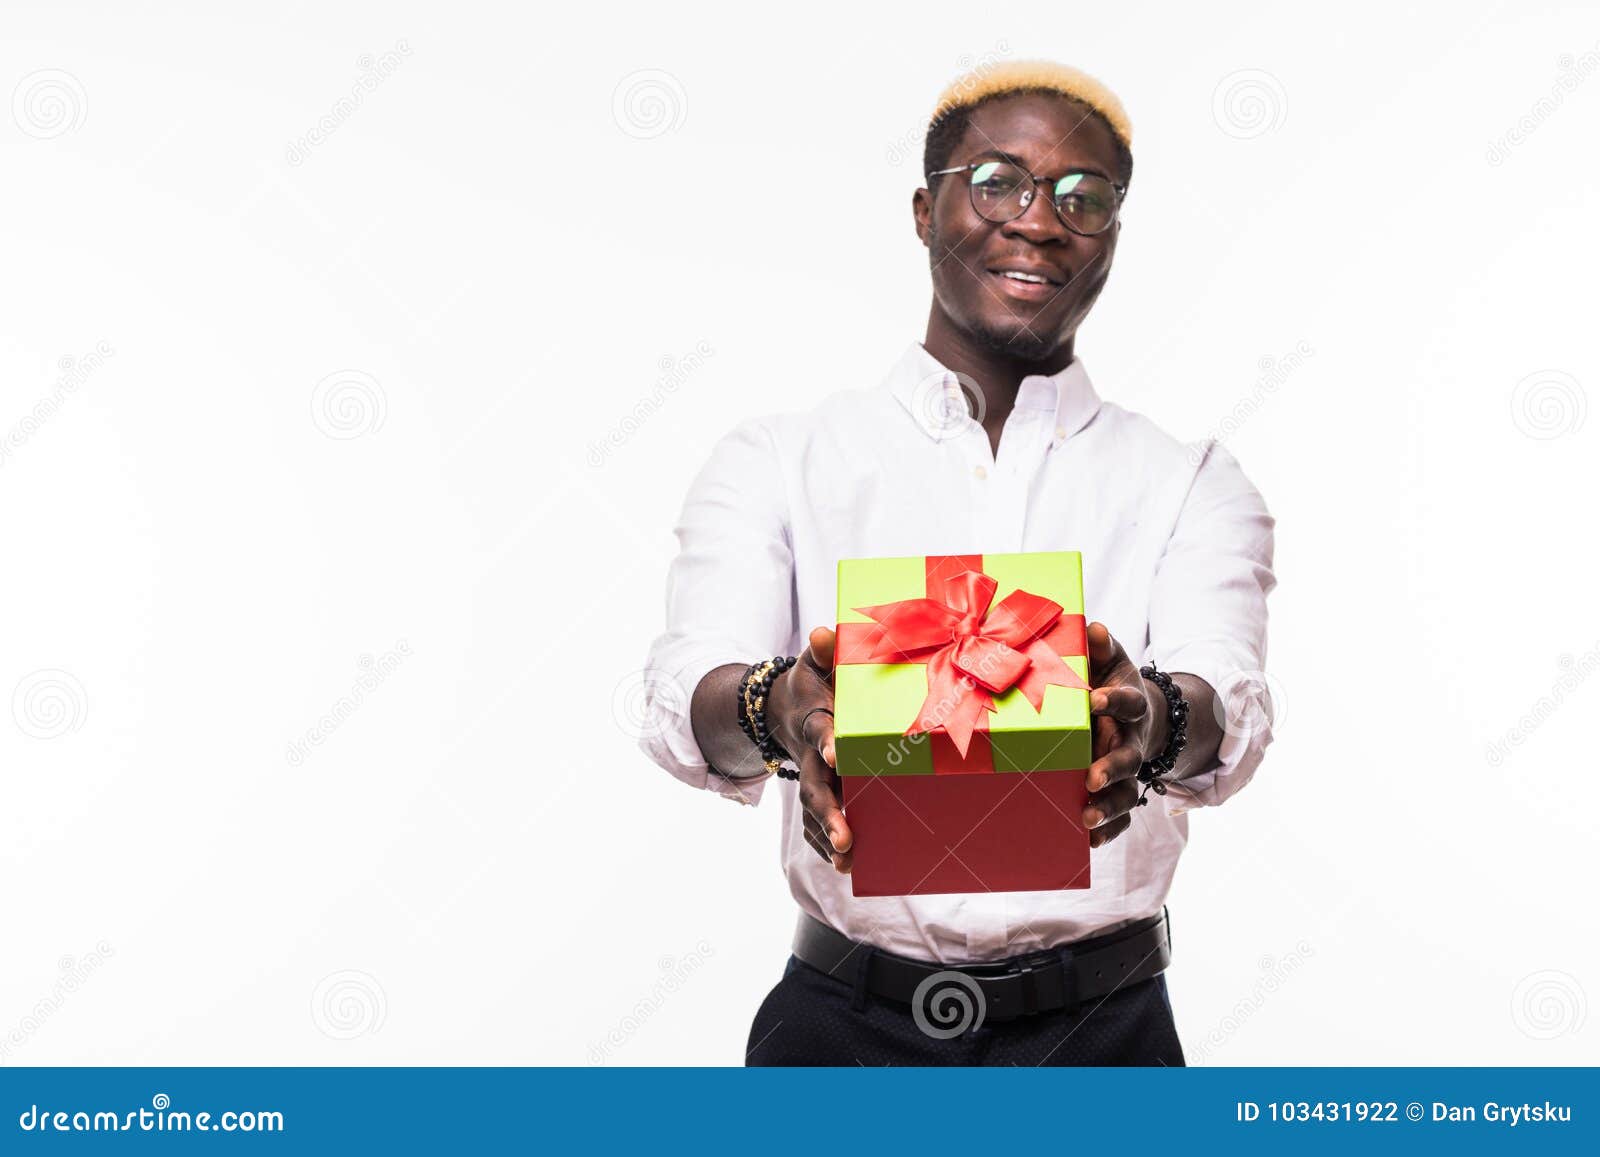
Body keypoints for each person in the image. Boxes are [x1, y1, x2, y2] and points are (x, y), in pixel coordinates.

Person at [638, 59, 1277, 1065]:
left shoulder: (1189, 479)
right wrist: (779, 708)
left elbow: (1228, 707)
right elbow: (685, 700)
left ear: (1111, 235)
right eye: (996, 182)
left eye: (1084, 197)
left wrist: (1153, 720)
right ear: (922, 210)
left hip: (1102, 1041)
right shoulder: (780, 459)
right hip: (838, 1034)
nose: (1037, 219)